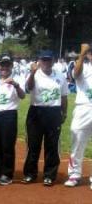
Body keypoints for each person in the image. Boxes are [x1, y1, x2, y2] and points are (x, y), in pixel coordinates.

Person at [22, 50, 69, 186]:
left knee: (52, 145)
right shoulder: (34, 74)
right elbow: (28, 88)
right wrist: (32, 72)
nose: (46, 62)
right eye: (44, 60)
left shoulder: (60, 75)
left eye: (49, 60)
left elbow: (64, 96)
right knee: (33, 145)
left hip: (54, 112)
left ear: (53, 61)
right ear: (39, 61)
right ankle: (30, 174)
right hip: (36, 111)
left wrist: (64, 113)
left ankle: (49, 175)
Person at [0, 55, 25, 186]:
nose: (4, 67)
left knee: (7, 145)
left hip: (8, 114)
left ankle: (7, 174)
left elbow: (23, 96)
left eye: (7, 65)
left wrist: (16, 85)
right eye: (2, 65)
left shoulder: (17, 79)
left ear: (11, 66)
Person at [65, 43, 92, 188]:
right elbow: (75, 74)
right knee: (77, 141)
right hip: (83, 107)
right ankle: (74, 174)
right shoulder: (83, 67)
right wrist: (82, 54)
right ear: (89, 55)